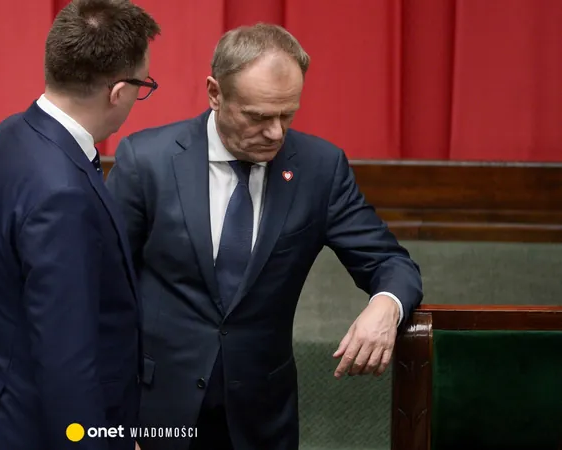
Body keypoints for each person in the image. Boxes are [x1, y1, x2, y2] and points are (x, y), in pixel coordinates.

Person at [105, 23, 423, 450]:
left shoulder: (319, 168)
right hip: (154, 409)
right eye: (257, 116)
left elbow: (390, 263)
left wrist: (386, 306)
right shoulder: (147, 160)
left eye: (287, 114)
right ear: (215, 93)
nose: (275, 132)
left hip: (261, 418)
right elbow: (100, 288)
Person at [0, 1, 160, 449]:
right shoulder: (63, 194)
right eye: (143, 84)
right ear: (118, 92)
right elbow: (66, 358)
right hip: (27, 430)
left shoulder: (8, 135)